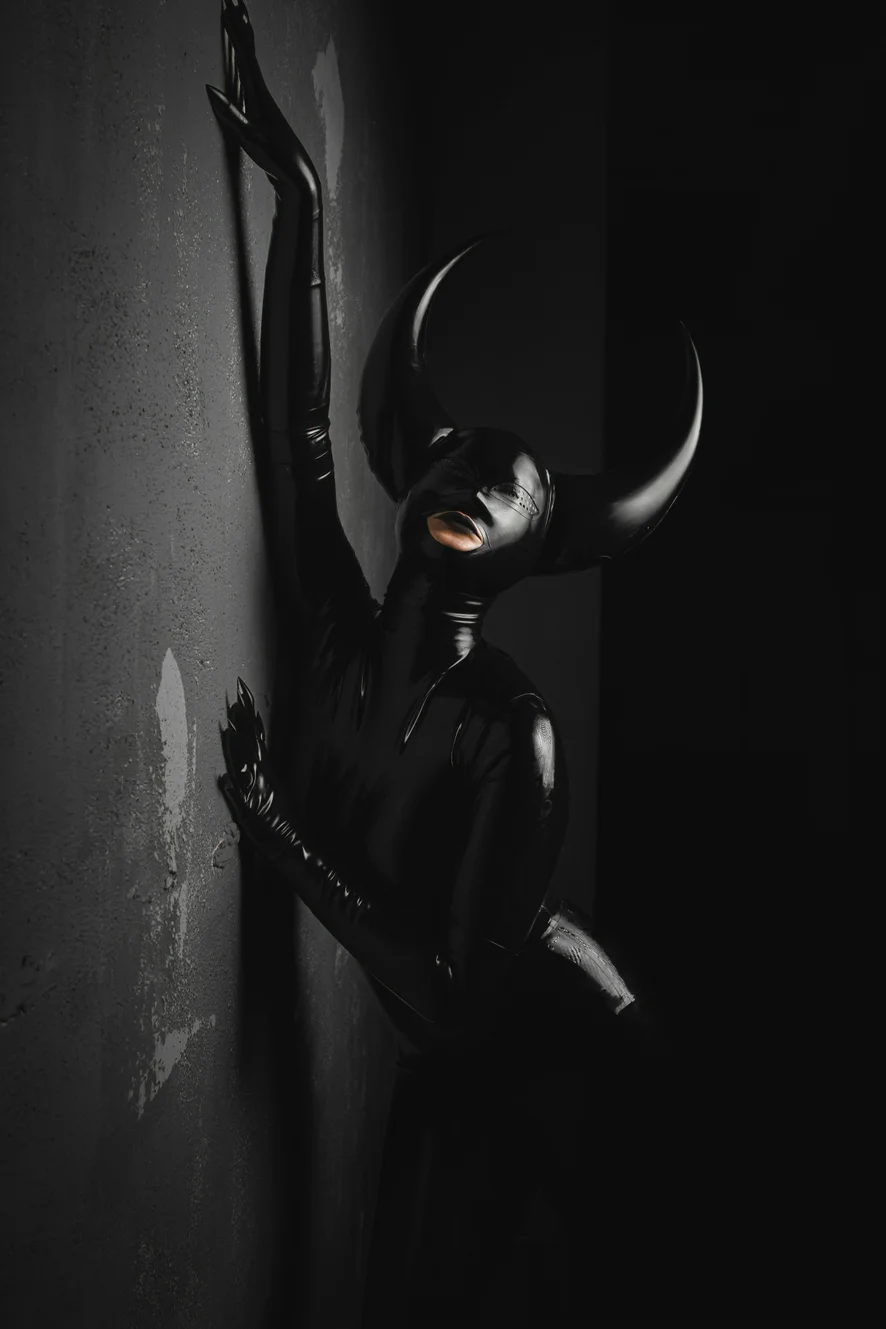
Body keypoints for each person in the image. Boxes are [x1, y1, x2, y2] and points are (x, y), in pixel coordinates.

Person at [208, 2, 703, 1322]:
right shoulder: (334, 625)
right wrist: (300, 197)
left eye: (514, 489)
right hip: (460, 1055)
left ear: (539, 550)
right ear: (412, 476)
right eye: (465, 462)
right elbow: (299, 438)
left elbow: (444, 997)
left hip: (576, 1041)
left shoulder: (512, 731)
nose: (480, 482)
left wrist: (277, 839)